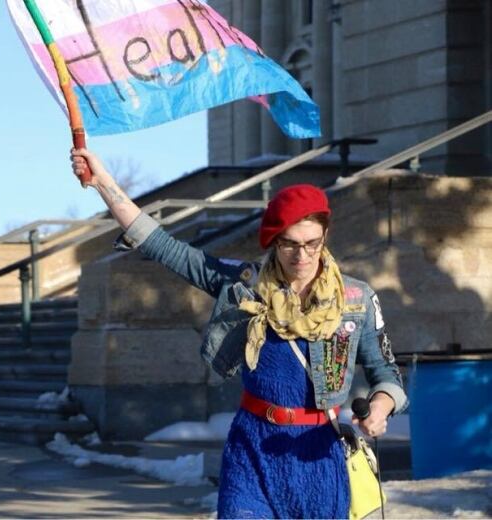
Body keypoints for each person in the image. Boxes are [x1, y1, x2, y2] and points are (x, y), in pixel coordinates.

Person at [70, 148, 407, 519]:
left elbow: (386, 373)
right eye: (290, 244)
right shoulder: (245, 286)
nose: (302, 255)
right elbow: (172, 251)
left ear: (325, 235)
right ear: (274, 240)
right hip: (252, 447)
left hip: (317, 452)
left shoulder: (356, 300)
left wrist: (379, 408)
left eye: (312, 243)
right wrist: (103, 182)